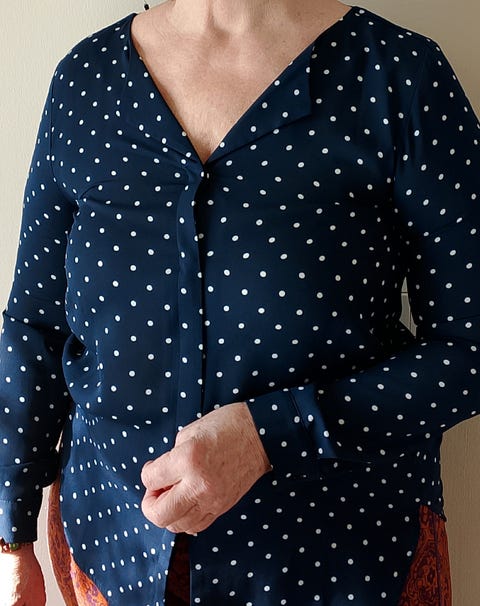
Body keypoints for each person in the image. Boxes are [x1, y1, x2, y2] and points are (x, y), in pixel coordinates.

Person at [1, 0, 479, 604]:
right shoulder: (87, 80)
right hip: (110, 557)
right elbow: (35, 327)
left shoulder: (398, 75)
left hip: (344, 561)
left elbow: (469, 349)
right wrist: (10, 535)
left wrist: (271, 434)